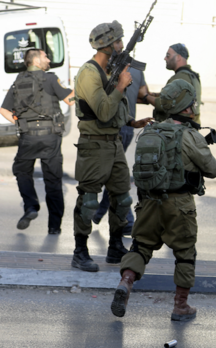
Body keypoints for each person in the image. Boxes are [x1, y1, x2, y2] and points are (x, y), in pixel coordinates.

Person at [111, 79, 216, 321]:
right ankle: (181, 305)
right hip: (179, 205)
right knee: (185, 253)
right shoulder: (190, 135)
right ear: (187, 108)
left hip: (149, 202)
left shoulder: (150, 130)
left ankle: (126, 282)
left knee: (140, 246)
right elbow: (213, 170)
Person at [71, 21, 151, 272]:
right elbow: (103, 111)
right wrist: (120, 86)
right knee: (89, 201)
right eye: (118, 41)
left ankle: (115, 246)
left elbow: (114, 109)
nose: (121, 45)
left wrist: (131, 121)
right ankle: (80, 251)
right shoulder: (89, 73)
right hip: (94, 146)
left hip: (114, 143)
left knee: (123, 198)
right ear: (105, 45)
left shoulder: (108, 72)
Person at [0, 48, 73, 234]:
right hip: (50, 137)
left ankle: (31, 206)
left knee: (22, 171)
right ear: (36, 61)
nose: (49, 59)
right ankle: (54, 227)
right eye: (45, 56)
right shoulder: (50, 78)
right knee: (53, 181)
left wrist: (20, 122)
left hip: (28, 137)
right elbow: (70, 100)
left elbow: (4, 110)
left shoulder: (18, 81)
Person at [92, 67, 150, 234]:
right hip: (126, 126)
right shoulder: (136, 72)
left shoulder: (109, 72)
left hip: (118, 127)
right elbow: (143, 94)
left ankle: (126, 221)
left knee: (115, 176)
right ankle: (102, 214)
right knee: (115, 175)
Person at [145, 44, 202, 124]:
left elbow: (165, 104)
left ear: (178, 57)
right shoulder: (190, 75)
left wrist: (145, 96)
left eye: (168, 55)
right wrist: (154, 94)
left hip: (179, 131)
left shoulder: (181, 78)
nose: (165, 58)